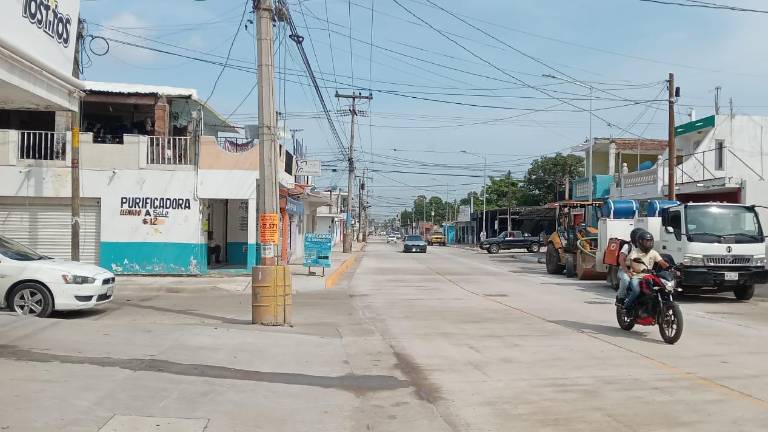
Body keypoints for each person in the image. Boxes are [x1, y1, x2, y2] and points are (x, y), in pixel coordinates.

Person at [623, 231, 669, 314]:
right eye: (646, 241)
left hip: (649, 277)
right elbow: (633, 264)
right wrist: (638, 269)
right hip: (637, 277)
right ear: (640, 242)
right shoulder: (635, 252)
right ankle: (626, 307)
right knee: (636, 290)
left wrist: (671, 268)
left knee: (662, 287)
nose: (649, 243)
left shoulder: (653, 252)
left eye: (650, 241)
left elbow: (661, 262)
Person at [615, 228, 646, 306]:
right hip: (626, 270)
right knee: (625, 280)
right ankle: (620, 298)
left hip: (640, 271)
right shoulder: (628, 246)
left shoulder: (644, 247)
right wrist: (627, 271)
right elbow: (621, 260)